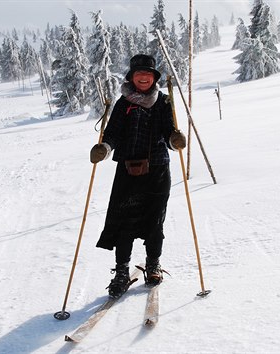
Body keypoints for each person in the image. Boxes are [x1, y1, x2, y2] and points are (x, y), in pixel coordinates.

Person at [90, 54, 186, 298]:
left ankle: (153, 264)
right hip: (128, 170)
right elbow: (112, 133)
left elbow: (169, 132)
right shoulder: (123, 103)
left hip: (158, 170)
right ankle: (121, 271)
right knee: (125, 222)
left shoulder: (164, 102)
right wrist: (104, 148)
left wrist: (175, 141)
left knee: (155, 219)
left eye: (148, 74)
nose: (143, 77)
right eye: (138, 74)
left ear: (154, 78)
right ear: (131, 77)